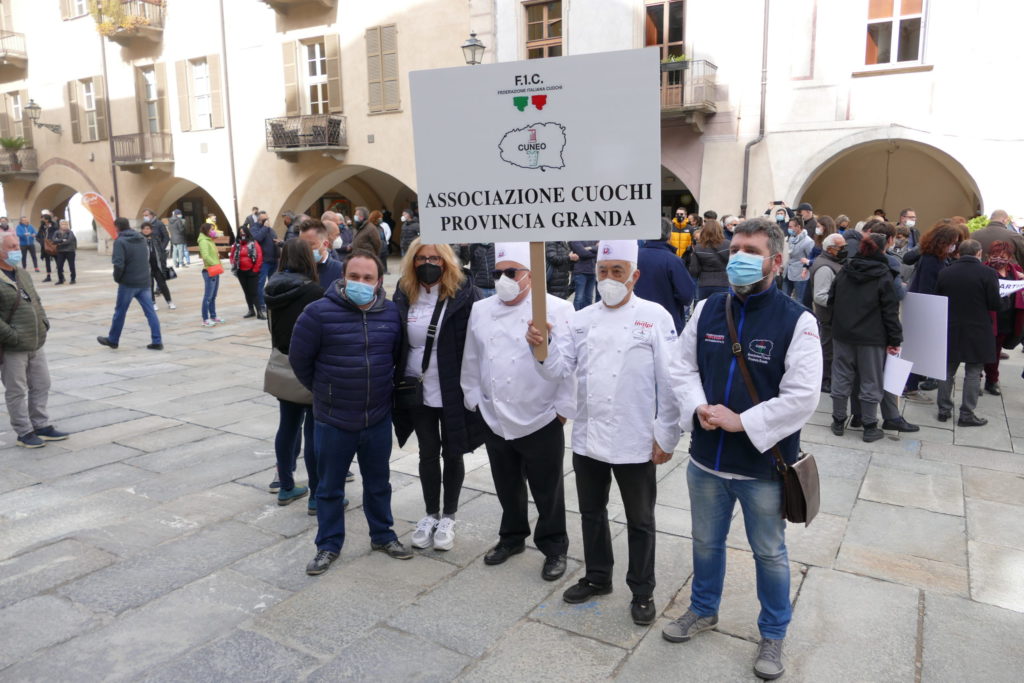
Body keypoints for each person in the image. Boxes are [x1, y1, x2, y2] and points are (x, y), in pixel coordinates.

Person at [665, 217, 821, 681]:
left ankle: (773, 632)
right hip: (705, 460)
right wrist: (699, 407)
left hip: (762, 468)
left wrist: (743, 422)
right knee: (705, 543)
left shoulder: (798, 321)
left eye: (749, 251)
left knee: (769, 553)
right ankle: (703, 608)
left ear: (776, 261)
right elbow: (680, 367)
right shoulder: (710, 308)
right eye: (735, 249)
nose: (738, 259)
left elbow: (803, 395)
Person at [528, 239, 681, 626]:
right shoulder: (582, 318)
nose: (609, 279)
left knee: (640, 519)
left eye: (617, 272)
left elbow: (671, 381)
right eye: (603, 271)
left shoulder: (655, 316)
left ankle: (642, 590)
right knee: (592, 513)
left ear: (634, 276)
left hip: (635, 437)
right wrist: (541, 350)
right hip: (589, 436)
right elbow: (560, 370)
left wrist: (666, 433)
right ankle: (597, 576)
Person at [291, 249, 412, 575]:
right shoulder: (317, 313)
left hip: (376, 417)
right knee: (329, 487)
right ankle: (328, 545)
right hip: (334, 420)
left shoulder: (390, 314)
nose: (360, 282)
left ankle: (383, 535)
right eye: (354, 276)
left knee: (379, 482)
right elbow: (300, 362)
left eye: (367, 278)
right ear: (343, 278)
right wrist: (325, 392)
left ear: (378, 281)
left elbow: (397, 358)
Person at [461, 241, 575, 581]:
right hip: (495, 415)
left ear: (530, 275)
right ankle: (511, 537)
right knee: (506, 483)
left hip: (540, 414)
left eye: (511, 273)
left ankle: (554, 546)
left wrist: (562, 409)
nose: (502, 280)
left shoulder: (556, 309)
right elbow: (472, 356)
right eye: (497, 273)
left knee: (547, 488)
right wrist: (474, 399)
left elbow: (570, 365)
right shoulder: (481, 309)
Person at [393, 239, 485, 551]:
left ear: (446, 261)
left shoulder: (464, 292)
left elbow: (481, 337)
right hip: (416, 386)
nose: (427, 263)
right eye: (420, 258)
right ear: (411, 261)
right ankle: (430, 513)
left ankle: (449, 515)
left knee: (453, 451)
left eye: (434, 257)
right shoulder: (405, 291)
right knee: (428, 452)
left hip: (452, 386)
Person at [265, 240, 323, 512]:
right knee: (313, 432)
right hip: (309, 367)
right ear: (307, 258)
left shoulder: (272, 286)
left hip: (282, 364)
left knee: (287, 426)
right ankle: (316, 494)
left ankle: (286, 486)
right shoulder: (313, 290)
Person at [827, 234, 903, 443]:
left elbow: (831, 300)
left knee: (841, 376)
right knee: (871, 379)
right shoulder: (883, 274)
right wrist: (895, 339)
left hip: (843, 334)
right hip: (872, 337)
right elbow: (890, 311)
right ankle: (870, 426)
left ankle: (838, 421)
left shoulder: (845, 270)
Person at [0, 234, 69, 448]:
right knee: (16, 390)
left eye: (17, 245)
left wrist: (44, 322)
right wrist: (13, 336)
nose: (16, 250)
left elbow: (35, 300)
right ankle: (24, 431)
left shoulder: (21, 273)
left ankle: (41, 425)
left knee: (41, 383)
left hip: (35, 341)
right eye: (11, 246)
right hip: (13, 346)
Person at [935, 240, 1000, 426]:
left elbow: (937, 298)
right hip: (978, 328)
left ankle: (943, 410)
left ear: (959, 253)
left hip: (951, 326)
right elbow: (995, 304)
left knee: (947, 370)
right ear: (979, 253)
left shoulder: (945, 272)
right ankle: (967, 414)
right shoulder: (988, 273)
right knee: (973, 371)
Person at [903, 223, 962, 402]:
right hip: (925, 309)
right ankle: (910, 387)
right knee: (918, 349)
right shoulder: (931, 259)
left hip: (925, 308)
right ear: (943, 242)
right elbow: (926, 288)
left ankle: (912, 384)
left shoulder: (934, 256)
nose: (954, 246)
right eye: (952, 242)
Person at [97, 217, 163, 351]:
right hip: (144, 281)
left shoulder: (120, 242)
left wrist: (117, 278)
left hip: (128, 283)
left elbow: (118, 263)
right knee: (150, 312)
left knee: (120, 312)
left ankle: (113, 340)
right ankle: (157, 341)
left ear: (117, 227)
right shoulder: (141, 238)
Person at [636, 219, 695, 332]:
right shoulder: (673, 261)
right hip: (666, 322)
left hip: (637, 321)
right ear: (670, 236)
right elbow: (686, 295)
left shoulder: (634, 256)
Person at [805, 233, 846, 393]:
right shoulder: (825, 267)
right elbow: (820, 296)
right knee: (827, 350)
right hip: (828, 315)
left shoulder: (832, 263)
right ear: (830, 249)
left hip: (832, 315)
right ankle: (823, 381)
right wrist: (842, 302)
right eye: (841, 248)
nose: (844, 250)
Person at [983, 241, 1024, 395]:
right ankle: (976, 377)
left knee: (995, 351)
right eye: (995, 256)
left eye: (1003, 256)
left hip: (1006, 318)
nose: (998, 259)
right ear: (989, 255)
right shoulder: (984, 270)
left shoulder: (1015, 272)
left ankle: (992, 380)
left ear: (1009, 258)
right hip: (987, 318)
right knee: (982, 350)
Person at [687, 217, 731, 303]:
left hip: (705, 283)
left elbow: (694, 270)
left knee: (704, 310)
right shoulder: (728, 245)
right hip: (724, 282)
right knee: (723, 310)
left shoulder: (698, 247)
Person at [230, 225, 264, 319]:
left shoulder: (254, 243)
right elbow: (232, 255)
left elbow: (259, 256)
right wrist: (234, 264)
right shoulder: (236, 244)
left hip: (252, 271)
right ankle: (251, 310)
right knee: (246, 292)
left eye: (244, 232)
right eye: (240, 233)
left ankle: (259, 312)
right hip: (241, 271)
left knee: (254, 292)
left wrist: (255, 269)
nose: (242, 234)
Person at [298, 220, 343, 290]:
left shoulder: (340, 270)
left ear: (325, 244)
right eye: (302, 245)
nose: (305, 249)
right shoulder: (296, 269)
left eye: (310, 245)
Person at [249, 210, 278, 317]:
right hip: (263, 261)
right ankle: (261, 305)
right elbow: (257, 239)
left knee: (273, 283)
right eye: (264, 219)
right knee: (260, 284)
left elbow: (274, 239)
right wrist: (265, 228)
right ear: (259, 220)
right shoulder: (254, 229)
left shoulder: (270, 229)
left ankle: (271, 302)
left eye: (267, 219)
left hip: (273, 260)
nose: (267, 221)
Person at [140, 223, 175, 311]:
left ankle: (169, 301)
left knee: (163, 285)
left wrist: (163, 263)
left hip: (158, 266)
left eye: (148, 228)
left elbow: (161, 251)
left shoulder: (155, 238)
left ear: (151, 230)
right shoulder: (140, 240)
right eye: (144, 229)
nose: (146, 230)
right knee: (150, 286)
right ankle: (153, 302)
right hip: (147, 268)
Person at [198, 222, 225, 327]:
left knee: (213, 296)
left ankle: (213, 316)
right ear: (205, 231)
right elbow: (205, 256)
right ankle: (205, 318)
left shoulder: (209, 239)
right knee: (208, 296)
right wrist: (215, 264)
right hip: (209, 270)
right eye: (210, 230)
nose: (212, 232)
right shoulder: (203, 241)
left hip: (215, 269)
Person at [782, 216, 813, 300]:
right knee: (784, 298)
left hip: (800, 275)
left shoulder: (808, 241)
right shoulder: (791, 238)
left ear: (798, 227)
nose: (789, 229)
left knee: (799, 300)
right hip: (788, 271)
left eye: (791, 227)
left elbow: (810, 258)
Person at [569, 240, 599, 310]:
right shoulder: (575, 240)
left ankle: (586, 316)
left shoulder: (594, 238)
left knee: (589, 297)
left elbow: (600, 249)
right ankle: (576, 316)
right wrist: (594, 251)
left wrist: (589, 248)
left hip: (592, 272)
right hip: (580, 272)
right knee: (579, 298)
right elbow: (582, 253)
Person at [52, 220, 77, 285]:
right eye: (62, 224)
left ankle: (73, 279)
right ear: (60, 225)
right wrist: (62, 240)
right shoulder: (56, 232)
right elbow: (54, 240)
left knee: (71, 266)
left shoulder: (70, 232)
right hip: (60, 251)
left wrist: (59, 243)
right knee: (59, 266)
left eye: (65, 224)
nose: (64, 225)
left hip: (70, 251)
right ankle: (61, 279)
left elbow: (69, 241)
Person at [37, 213, 58, 283]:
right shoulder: (42, 227)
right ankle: (48, 276)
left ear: (47, 219)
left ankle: (61, 276)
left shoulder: (54, 225)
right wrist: (42, 242)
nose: (42, 220)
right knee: (47, 261)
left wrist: (52, 240)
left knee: (57, 260)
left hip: (52, 245)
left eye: (43, 219)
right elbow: (38, 236)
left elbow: (57, 234)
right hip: (45, 246)